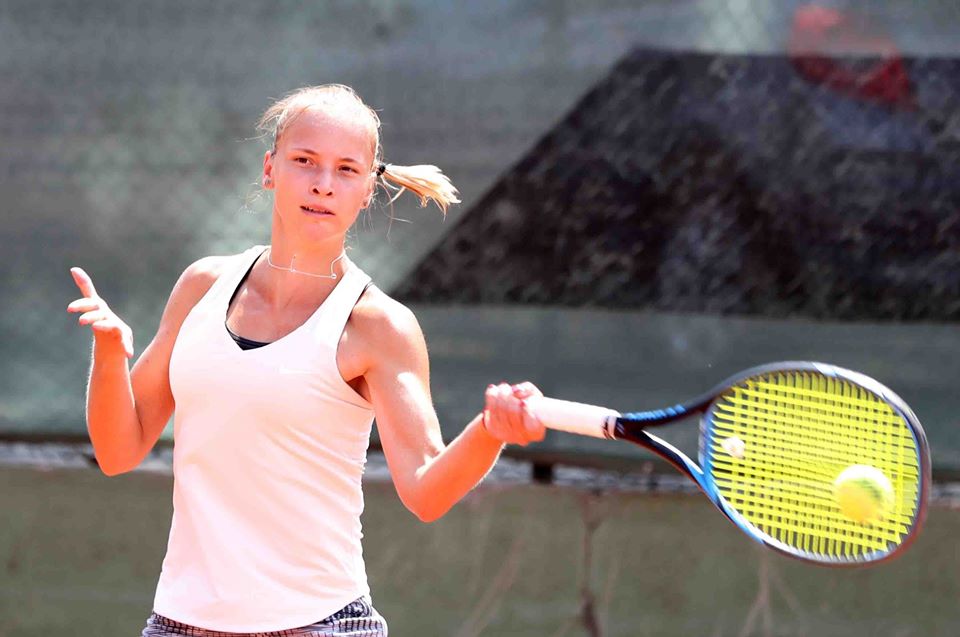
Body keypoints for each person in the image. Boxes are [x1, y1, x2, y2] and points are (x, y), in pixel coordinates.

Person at [67, 84, 545, 637]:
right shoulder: (202, 285)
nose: (323, 184)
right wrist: (109, 354)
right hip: (179, 620)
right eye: (305, 161)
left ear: (367, 190)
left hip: (321, 624)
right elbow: (118, 451)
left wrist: (489, 431)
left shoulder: (379, 327)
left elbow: (425, 490)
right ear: (270, 168)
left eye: (346, 170)